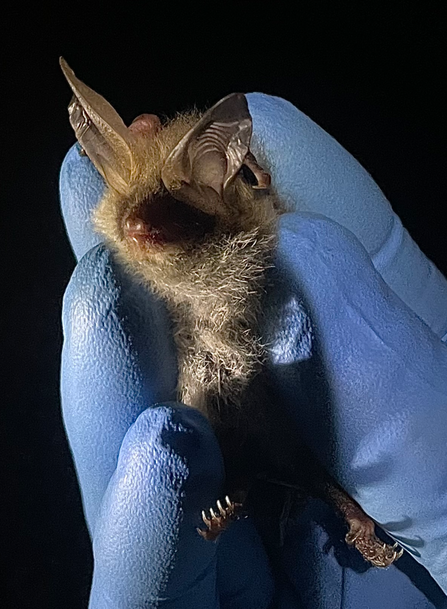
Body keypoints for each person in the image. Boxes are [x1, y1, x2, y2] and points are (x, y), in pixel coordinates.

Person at [59, 93, 447, 608]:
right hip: (221, 394)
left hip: (274, 395)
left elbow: (254, 217)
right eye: (137, 214)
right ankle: (263, 491)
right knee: (197, 441)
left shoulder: (242, 227)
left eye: (166, 212)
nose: (142, 228)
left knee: (276, 433)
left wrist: (253, 192)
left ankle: (333, 506)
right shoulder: (142, 247)